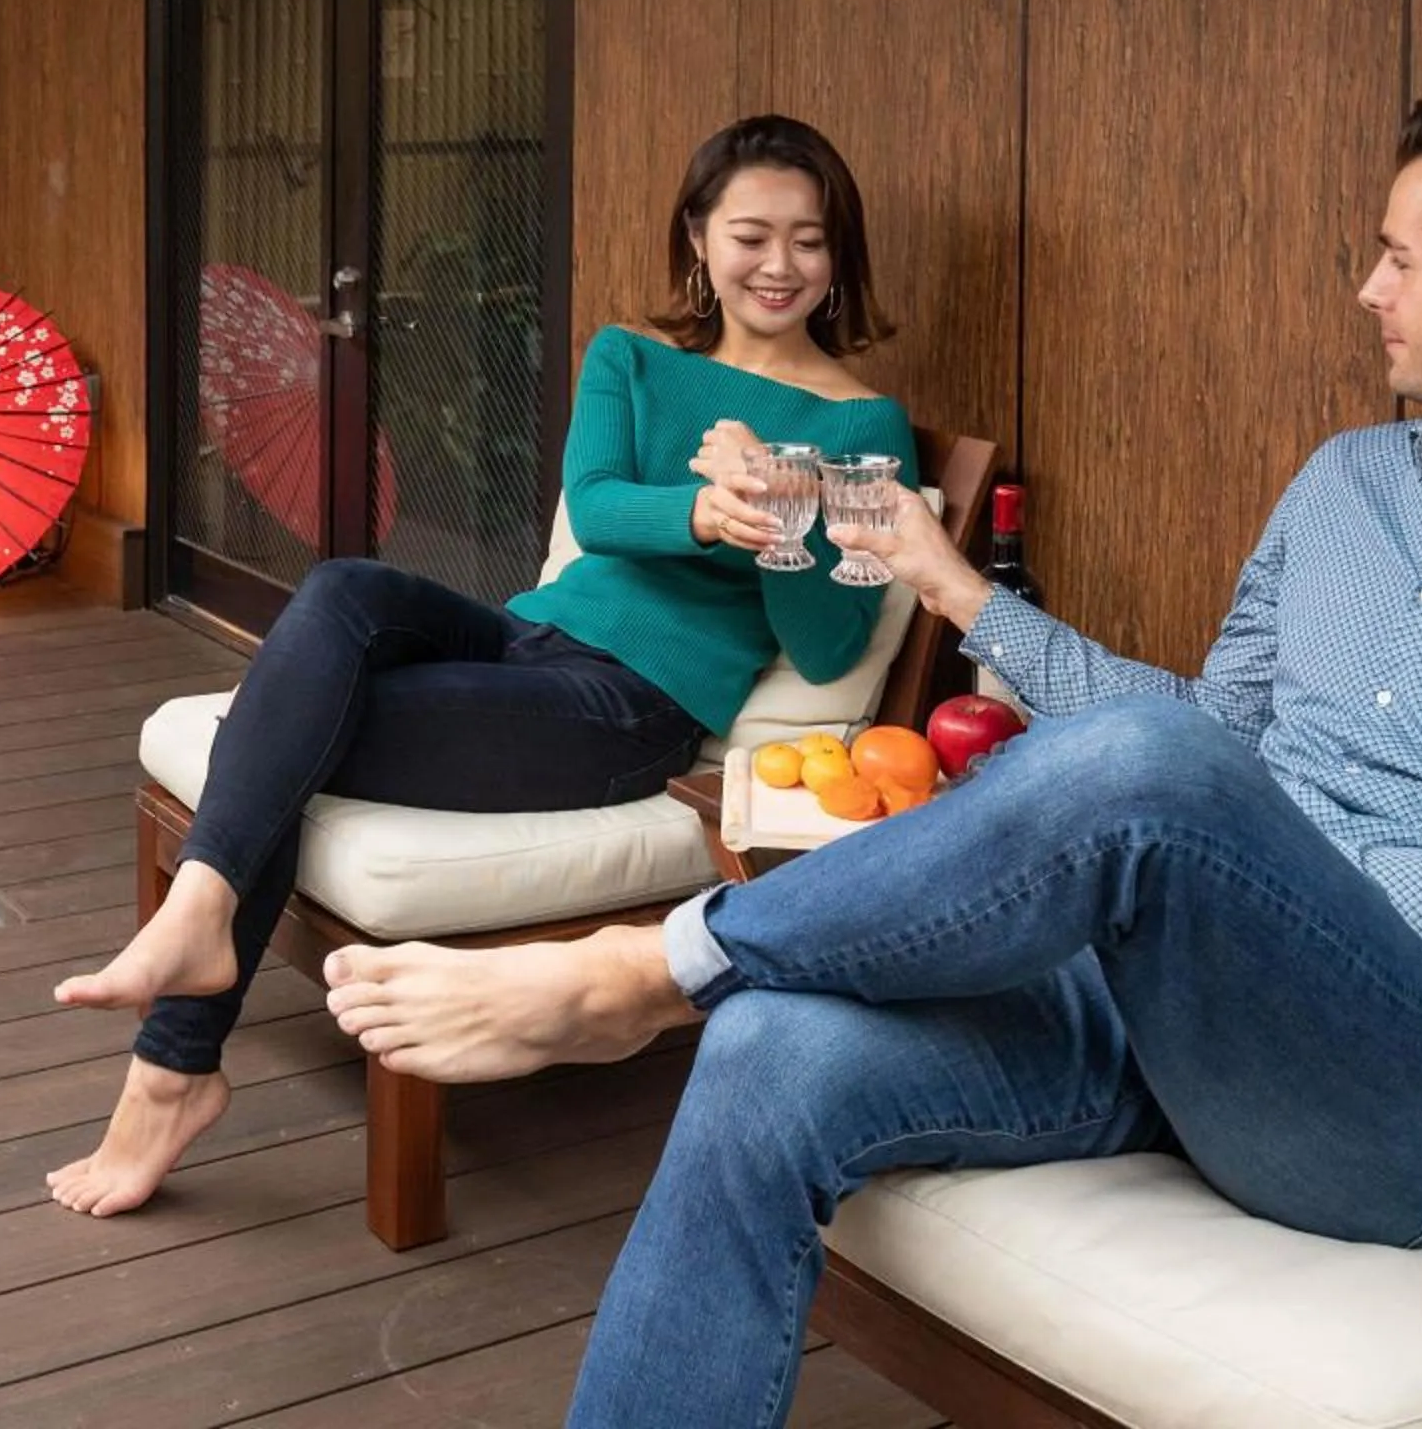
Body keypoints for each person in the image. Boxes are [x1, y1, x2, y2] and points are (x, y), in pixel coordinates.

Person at [319, 99, 1422, 1427]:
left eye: (1396, 253)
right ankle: (715, 993)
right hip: (1175, 1013)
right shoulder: (1349, 485)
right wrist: (959, 594)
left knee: (1164, 787)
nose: (1365, 287)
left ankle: (655, 969)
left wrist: (1256, 854)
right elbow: (1204, 741)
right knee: (776, 1057)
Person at [45, 114, 921, 1217]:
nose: (780, 264)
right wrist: (705, 505)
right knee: (342, 589)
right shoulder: (632, 360)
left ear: (838, 254)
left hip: (623, 707)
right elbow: (599, 509)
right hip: (524, 637)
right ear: (698, 236)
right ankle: (203, 928)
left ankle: (173, 1059)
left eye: (809, 238)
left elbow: (831, 640)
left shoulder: (861, 419)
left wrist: (781, 497)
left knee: (277, 728)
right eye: (752, 233)